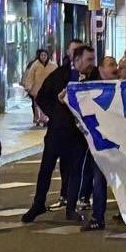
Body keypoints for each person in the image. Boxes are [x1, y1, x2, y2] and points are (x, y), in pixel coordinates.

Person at [23, 45, 96, 223]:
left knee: (74, 171)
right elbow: (41, 96)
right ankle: (38, 204)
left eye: (93, 60)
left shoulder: (94, 76)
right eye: (88, 60)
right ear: (77, 60)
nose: (91, 64)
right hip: (58, 130)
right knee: (46, 168)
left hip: (79, 134)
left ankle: (71, 208)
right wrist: (56, 110)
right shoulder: (60, 74)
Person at [22, 48, 56, 126]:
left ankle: (45, 119)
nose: (43, 57)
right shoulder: (35, 65)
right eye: (42, 55)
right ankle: (38, 119)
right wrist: (28, 87)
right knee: (37, 105)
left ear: (48, 56)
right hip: (37, 89)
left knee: (47, 105)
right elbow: (30, 76)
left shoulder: (53, 66)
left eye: (45, 55)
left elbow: (57, 76)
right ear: (39, 56)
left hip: (48, 89)